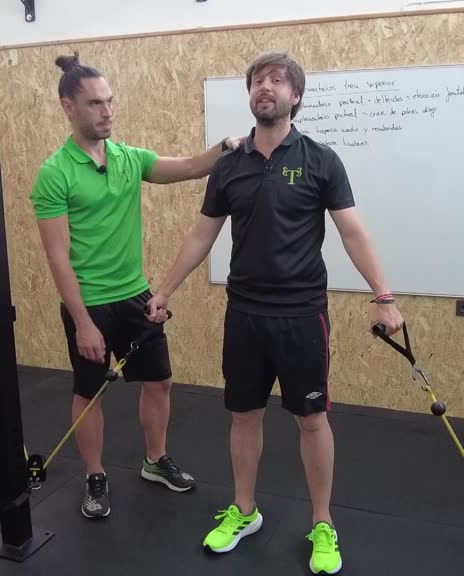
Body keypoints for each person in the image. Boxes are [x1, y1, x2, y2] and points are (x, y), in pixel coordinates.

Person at [146, 52, 404, 575]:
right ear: (250, 95)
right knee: (244, 414)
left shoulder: (321, 160)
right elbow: (202, 234)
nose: (266, 86)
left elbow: (353, 232)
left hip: (302, 315)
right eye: (258, 80)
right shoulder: (229, 165)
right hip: (244, 313)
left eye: (278, 80)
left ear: (295, 96)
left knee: (312, 419)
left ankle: (322, 523)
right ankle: (244, 511)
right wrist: (165, 289)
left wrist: (384, 296)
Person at [29, 52, 243, 520]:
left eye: (110, 101)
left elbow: (191, 166)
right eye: (95, 104)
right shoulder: (55, 173)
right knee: (90, 393)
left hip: (134, 294)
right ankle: (95, 475)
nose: (107, 112)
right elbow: (57, 257)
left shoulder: (129, 159)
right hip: (89, 303)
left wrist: (226, 146)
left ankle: (154, 460)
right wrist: (83, 323)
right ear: (68, 107)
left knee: (159, 381)